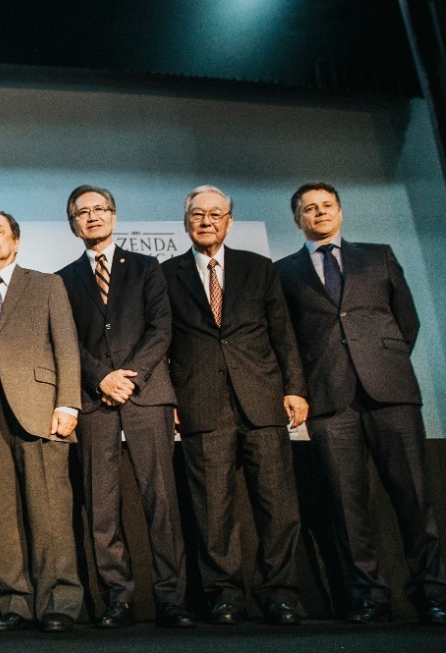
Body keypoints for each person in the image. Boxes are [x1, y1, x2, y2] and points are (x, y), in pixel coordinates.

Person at [275, 182, 446, 625]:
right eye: (309, 209)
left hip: (390, 395)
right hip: (330, 400)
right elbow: (287, 339)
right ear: (298, 220)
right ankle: (369, 597)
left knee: (414, 499)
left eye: (326, 206)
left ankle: (432, 593)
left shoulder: (379, 255)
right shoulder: (284, 271)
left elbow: (406, 320)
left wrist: (381, 363)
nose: (319, 213)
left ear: (340, 211)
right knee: (347, 506)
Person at [161, 184, 308, 626]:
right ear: (185, 222)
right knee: (213, 510)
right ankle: (224, 595)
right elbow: (160, 342)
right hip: (200, 402)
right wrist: (170, 398)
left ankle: (279, 594)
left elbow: (283, 332)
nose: (207, 221)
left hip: (261, 399)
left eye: (216, 214)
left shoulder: (259, 269)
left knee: (278, 505)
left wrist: (295, 387)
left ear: (229, 220)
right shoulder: (167, 274)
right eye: (198, 215)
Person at [54, 186, 193, 629]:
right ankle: (118, 598)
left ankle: (171, 599)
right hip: (96, 402)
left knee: (162, 502)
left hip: (146, 396)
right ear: (73, 223)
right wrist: (100, 379)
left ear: (114, 216)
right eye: (82, 213)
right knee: (102, 506)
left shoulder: (147, 267)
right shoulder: (63, 279)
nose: (92, 217)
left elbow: (161, 328)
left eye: (100, 209)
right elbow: (68, 342)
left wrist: (128, 378)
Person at [0, 210, 82, 633]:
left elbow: (66, 346)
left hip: (40, 411)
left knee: (50, 513)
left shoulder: (46, 285)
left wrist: (68, 404)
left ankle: (59, 602)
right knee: (0, 517)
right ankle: (15, 603)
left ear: (16, 240)